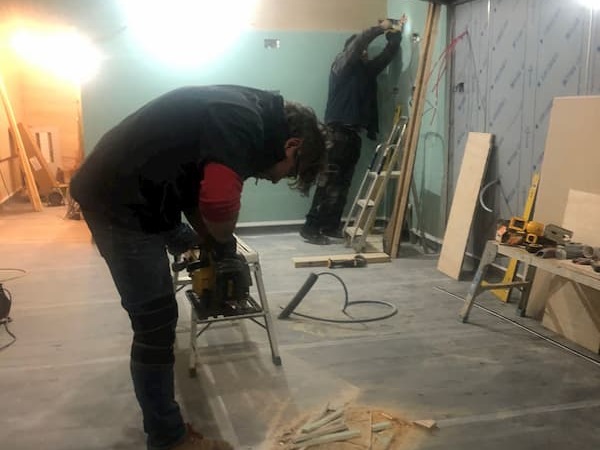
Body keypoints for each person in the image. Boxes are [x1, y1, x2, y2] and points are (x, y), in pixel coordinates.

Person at [70, 85, 326, 450]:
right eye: (287, 174)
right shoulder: (244, 123)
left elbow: (196, 190)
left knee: (193, 241)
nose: (273, 179)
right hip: (120, 203)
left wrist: (213, 245)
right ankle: (167, 438)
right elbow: (219, 204)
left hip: (146, 193)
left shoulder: (246, 111)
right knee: (156, 323)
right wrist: (223, 248)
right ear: (293, 146)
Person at [300, 17, 406, 245]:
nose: (365, 54)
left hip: (352, 136)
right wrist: (380, 28)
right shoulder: (341, 67)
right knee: (327, 183)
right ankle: (311, 227)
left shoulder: (366, 72)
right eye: (363, 50)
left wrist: (395, 36)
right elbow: (358, 44)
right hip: (335, 134)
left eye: (367, 52)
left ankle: (330, 225)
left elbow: (387, 56)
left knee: (343, 184)